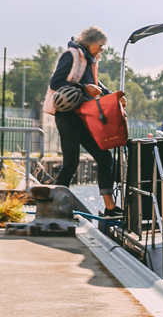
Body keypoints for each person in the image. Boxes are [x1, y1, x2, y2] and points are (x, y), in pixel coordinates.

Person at [48, 27, 119, 213]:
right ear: (90, 41)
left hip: (85, 116)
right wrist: (83, 88)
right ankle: (55, 207)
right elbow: (55, 82)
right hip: (68, 115)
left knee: (104, 156)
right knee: (71, 162)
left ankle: (110, 207)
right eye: (101, 46)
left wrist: (113, 97)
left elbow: (96, 85)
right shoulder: (71, 55)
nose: (102, 50)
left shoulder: (89, 60)